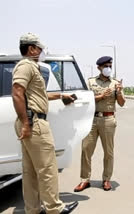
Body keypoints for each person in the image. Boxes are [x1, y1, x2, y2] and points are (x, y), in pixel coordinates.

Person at [12, 33, 78, 214]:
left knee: (31, 172)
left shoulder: (31, 67)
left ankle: (33, 209)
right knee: (47, 168)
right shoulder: (26, 66)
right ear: (31, 48)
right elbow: (17, 92)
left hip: (30, 121)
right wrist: (27, 123)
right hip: (34, 123)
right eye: (40, 48)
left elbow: (36, 95)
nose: (43, 52)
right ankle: (55, 209)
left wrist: (60, 95)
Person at [74, 56, 125, 192]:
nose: (108, 68)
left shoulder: (115, 83)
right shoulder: (91, 82)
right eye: (105, 66)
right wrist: (101, 96)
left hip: (108, 119)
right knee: (86, 149)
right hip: (91, 119)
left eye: (110, 66)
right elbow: (86, 99)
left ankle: (106, 179)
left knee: (108, 151)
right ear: (99, 68)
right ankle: (85, 179)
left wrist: (119, 92)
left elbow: (121, 103)